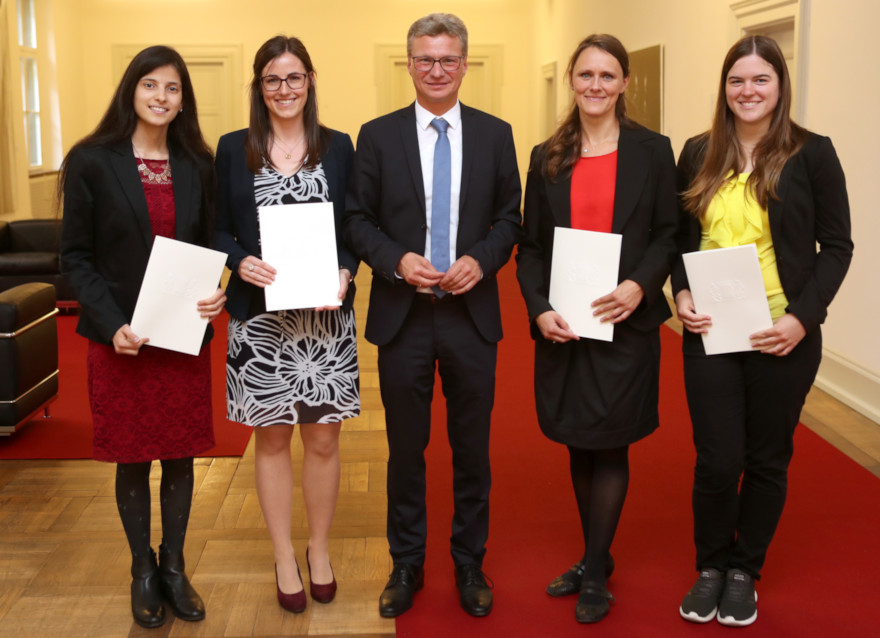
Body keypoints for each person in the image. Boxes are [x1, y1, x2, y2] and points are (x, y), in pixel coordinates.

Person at [344, 12, 522, 619]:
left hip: (472, 317)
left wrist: (482, 258)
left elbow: (510, 219)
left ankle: (470, 561)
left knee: (472, 449)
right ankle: (407, 562)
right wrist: (395, 260)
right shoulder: (378, 135)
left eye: (448, 59)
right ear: (410, 64)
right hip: (404, 316)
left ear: (464, 64)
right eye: (425, 59)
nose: (437, 70)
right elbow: (357, 220)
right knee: (405, 449)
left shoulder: (497, 135)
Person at [673, 35, 852, 628]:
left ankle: (745, 570)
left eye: (760, 80)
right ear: (724, 88)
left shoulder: (813, 153)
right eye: (736, 81)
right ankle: (710, 567)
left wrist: (803, 317)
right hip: (709, 331)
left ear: (779, 86)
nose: (747, 91)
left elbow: (838, 246)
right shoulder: (699, 151)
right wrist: (680, 293)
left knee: (768, 459)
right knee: (718, 459)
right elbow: (678, 240)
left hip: (782, 333)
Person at [59, 46, 224, 629]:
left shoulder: (198, 164)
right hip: (120, 339)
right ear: (131, 91)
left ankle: (175, 568)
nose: (161, 96)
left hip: (181, 337)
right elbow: (75, 259)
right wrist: (111, 325)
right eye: (150, 85)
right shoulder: (91, 161)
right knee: (132, 459)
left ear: (184, 99)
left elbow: (210, 249)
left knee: (180, 455)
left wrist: (217, 292)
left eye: (173, 88)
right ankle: (141, 571)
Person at [516, 34, 678, 623]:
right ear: (572, 82)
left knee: (610, 440)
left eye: (608, 76)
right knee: (578, 440)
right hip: (564, 325)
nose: (595, 86)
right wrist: (538, 308)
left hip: (626, 322)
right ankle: (595, 556)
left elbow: (669, 233)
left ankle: (594, 567)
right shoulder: (546, 156)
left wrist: (640, 284)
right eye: (585, 75)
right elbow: (530, 248)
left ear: (625, 83)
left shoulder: (654, 152)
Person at [214, 35, 359, 614]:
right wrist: (236, 259)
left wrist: (347, 270)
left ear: (310, 81)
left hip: (324, 323)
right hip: (259, 323)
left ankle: (318, 550)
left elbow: (356, 227)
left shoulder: (341, 147)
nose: (284, 89)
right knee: (271, 440)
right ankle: (282, 555)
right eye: (272, 79)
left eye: (294, 77)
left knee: (323, 440)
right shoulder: (230, 149)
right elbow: (215, 227)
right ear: (259, 86)